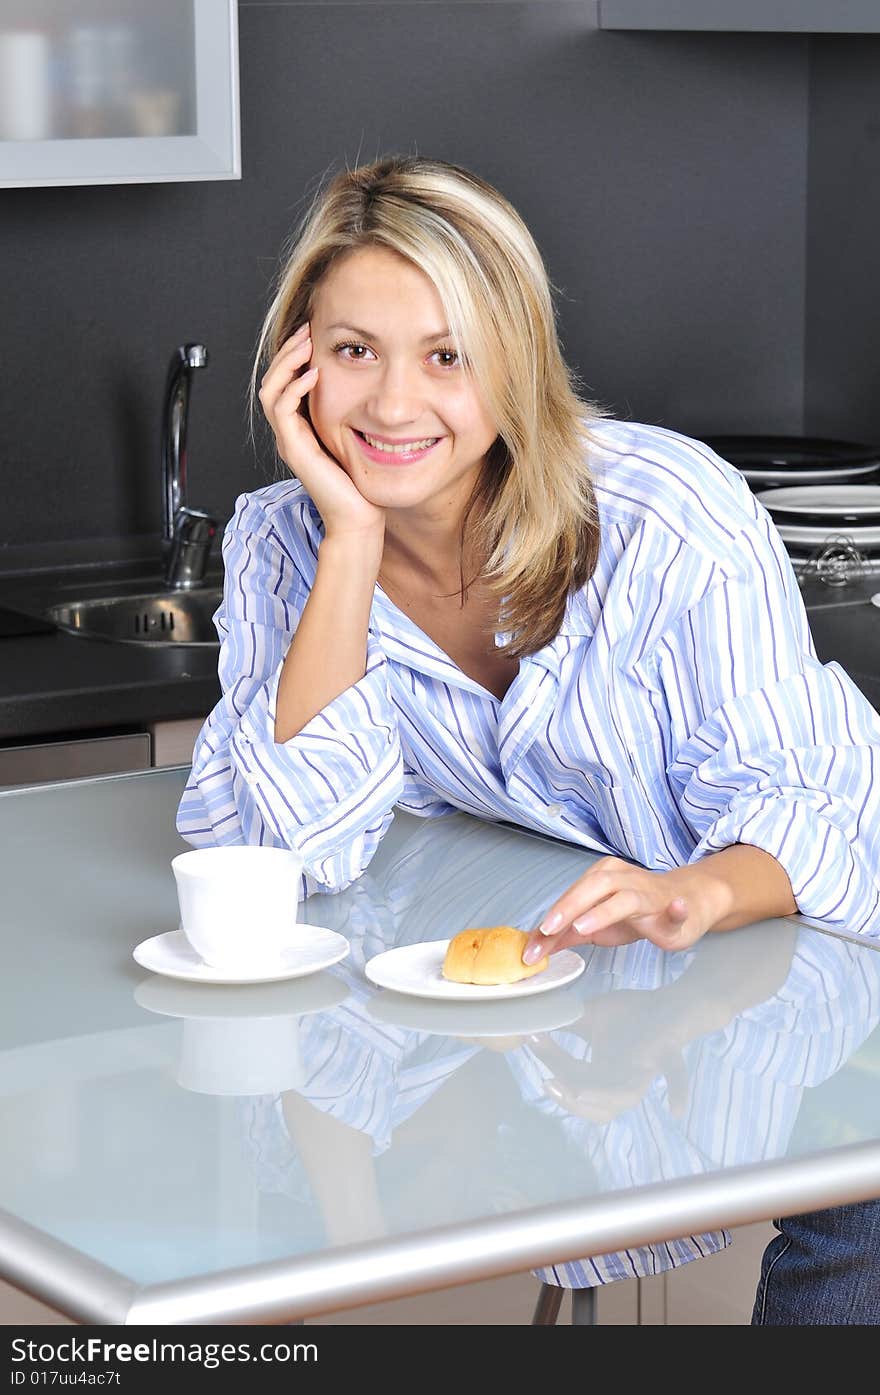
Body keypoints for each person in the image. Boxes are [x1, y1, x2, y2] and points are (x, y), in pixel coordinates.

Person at [177, 153, 880, 1324]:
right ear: (297, 365)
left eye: (446, 355)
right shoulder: (280, 543)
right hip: (603, 984)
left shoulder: (670, 516)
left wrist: (692, 896)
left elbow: (812, 799)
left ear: (516, 362)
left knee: (847, 1196)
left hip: (816, 936)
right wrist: (347, 536)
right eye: (354, 352)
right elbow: (284, 858)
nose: (393, 406)